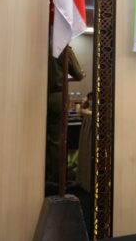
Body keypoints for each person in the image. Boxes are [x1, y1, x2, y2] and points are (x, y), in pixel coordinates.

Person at [46, 44, 85, 184]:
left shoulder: (40, 45)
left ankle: (44, 176)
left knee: (42, 139)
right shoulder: (62, 45)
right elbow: (78, 74)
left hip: (40, 96)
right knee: (58, 139)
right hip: (58, 96)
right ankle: (57, 180)